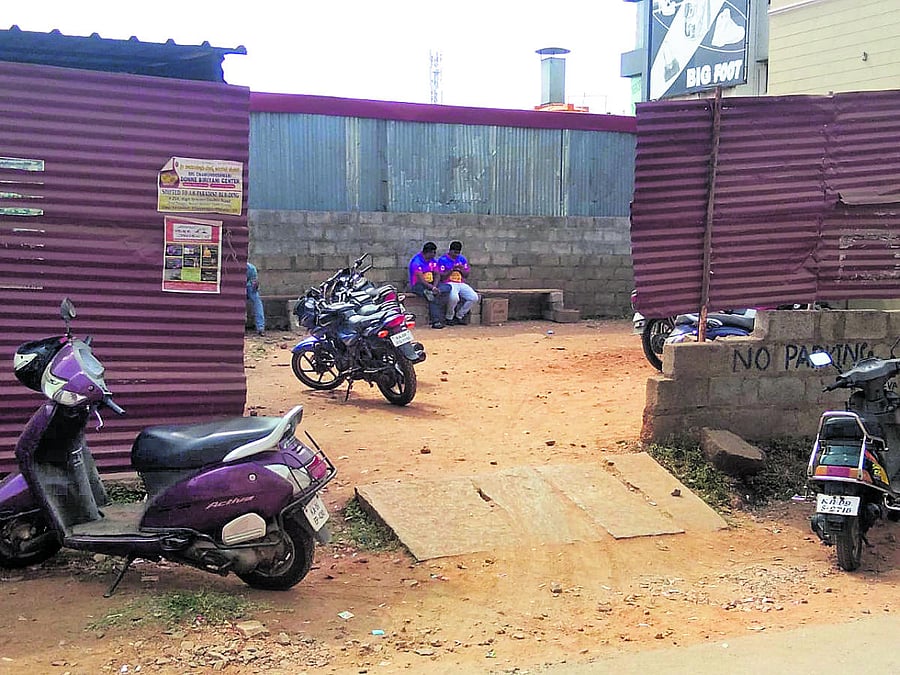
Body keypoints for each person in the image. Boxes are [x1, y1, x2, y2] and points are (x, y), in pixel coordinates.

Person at [437, 240, 479, 325]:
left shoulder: (462, 259)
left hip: (460, 282)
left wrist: (461, 269)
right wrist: (452, 269)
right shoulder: (443, 259)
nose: (456, 255)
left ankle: (459, 315)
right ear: (450, 250)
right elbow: (441, 276)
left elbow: (466, 275)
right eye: (454, 252)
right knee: (454, 298)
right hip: (449, 283)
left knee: (474, 297)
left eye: (458, 253)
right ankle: (449, 317)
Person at [408, 241, 447, 329]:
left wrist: (435, 287)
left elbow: (437, 274)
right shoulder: (416, 262)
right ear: (429, 252)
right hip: (419, 285)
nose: (435, 254)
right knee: (432, 298)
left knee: (447, 287)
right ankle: (436, 321)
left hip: (431, 285)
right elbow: (421, 280)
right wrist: (432, 288)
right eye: (434, 252)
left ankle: (430, 292)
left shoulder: (433, 261)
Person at [246, 261, 265, 336]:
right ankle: (260, 327)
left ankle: (260, 328)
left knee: (257, 302)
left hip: (249, 286)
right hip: (247, 286)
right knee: (257, 302)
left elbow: (255, 284)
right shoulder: (251, 267)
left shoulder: (251, 268)